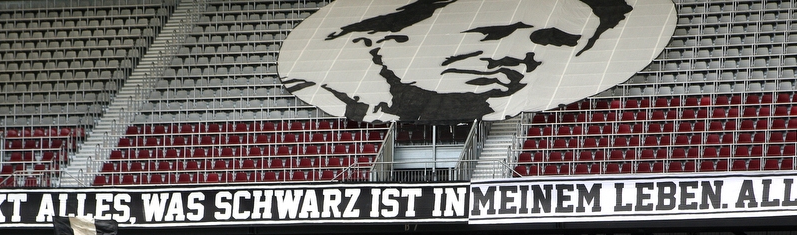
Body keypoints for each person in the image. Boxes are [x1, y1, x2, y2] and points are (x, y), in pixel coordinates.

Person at [278, 0, 675, 122]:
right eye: (495, 32)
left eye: (552, 40)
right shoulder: (325, 87)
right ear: (390, 36)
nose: (521, 56)